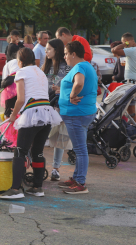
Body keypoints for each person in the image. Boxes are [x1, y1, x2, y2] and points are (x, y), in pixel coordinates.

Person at [0, 48, 62, 199]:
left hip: (32, 114)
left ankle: (15, 189)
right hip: (46, 114)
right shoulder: (40, 72)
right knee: (37, 152)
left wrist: (13, 116)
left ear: (20, 61)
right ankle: (37, 187)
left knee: (20, 151)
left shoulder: (21, 72)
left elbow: (20, 99)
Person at [58, 41, 97, 194]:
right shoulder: (87, 65)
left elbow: (79, 83)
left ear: (73, 54)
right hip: (81, 112)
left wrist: (72, 94)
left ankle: (80, 182)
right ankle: (77, 178)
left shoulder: (80, 66)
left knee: (80, 150)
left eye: (66, 54)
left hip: (77, 113)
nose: (65, 56)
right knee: (80, 148)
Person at [42, 39, 71, 181]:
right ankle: (38, 165)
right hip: (45, 105)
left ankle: (55, 169)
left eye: (49, 49)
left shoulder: (67, 67)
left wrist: (61, 89)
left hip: (60, 106)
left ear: (57, 50)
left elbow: (72, 85)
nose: (46, 51)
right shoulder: (46, 66)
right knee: (41, 136)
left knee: (60, 138)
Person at [112, 32, 136, 121]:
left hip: (131, 83)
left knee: (131, 110)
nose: (124, 45)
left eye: (123, 42)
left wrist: (124, 44)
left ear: (126, 41)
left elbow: (114, 50)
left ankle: (134, 129)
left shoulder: (132, 50)